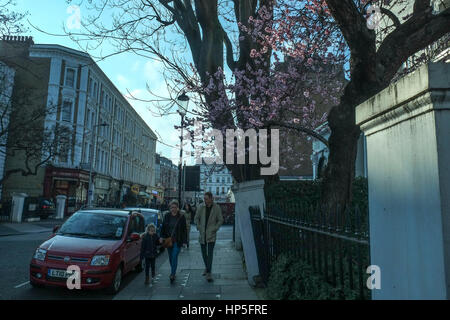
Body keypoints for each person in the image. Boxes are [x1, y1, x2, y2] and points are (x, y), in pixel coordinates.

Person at [194, 192, 223, 282]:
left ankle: (209, 273)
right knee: (203, 253)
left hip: (211, 234)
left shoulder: (216, 208)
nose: (205, 200)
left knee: (210, 253)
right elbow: (196, 218)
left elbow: (220, 220)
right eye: (204, 198)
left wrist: (215, 228)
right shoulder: (201, 207)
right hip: (202, 233)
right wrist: (198, 227)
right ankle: (207, 268)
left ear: (211, 198)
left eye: (206, 198)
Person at [160, 199, 187, 283]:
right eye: (172, 207)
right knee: (171, 258)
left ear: (178, 208)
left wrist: (185, 241)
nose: (173, 209)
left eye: (175, 207)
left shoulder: (181, 217)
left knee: (174, 256)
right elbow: (163, 227)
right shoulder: (167, 216)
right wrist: (161, 237)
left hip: (177, 240)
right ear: (170, 208)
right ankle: (173, 270)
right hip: (169, 240)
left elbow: (184, 230)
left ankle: (172, 274)